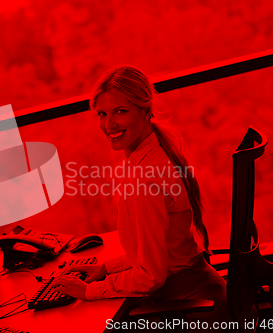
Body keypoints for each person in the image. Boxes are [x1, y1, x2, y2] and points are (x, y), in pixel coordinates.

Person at [52, 66, 229, 323]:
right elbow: (155, 249)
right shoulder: (150, 157)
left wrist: (88, 291)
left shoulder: (145, 178)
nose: (108, 124)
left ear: (145, 111)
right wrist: (105, 269)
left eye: (120, 112)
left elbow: (150, 275)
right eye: (102, 114)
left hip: (195, 309)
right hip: (203, 295)